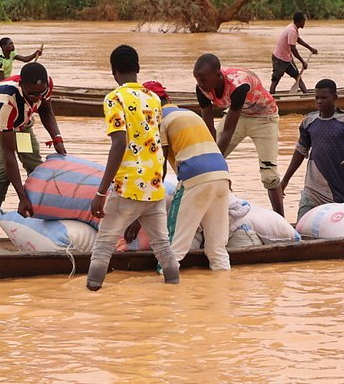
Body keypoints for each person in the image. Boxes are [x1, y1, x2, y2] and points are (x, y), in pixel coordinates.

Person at [86, 45, 179, 291]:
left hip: (127, 186)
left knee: (103, 246)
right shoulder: (153, 98)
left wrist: (101, 192)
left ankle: (91, 298)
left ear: (113, 71)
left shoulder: (114, 98)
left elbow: (119, 144)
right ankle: (175, 291)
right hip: (154, 185)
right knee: (163, 247)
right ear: (137, 68)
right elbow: (158, 143)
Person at [141, 80, 231, 271]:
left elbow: (160, 164)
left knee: (174, 247)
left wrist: (146, 202)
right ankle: (223, 292)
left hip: (195, 180)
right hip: (222, 176)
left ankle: (161, 295)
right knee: (217, 249)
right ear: (168, 98)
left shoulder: (159, 120)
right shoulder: (189, 113)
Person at [0, 62, 66, 249]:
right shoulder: (6, 101)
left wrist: (57, 138)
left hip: (22, 125)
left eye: (41, 93)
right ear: (22, 86)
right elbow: (9, 155)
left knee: (36, 168)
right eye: (32, 94)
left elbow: (46, 109)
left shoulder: (45, 86)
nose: (37, 98)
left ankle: (40, 219)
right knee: (3, 173)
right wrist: (22, 196)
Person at [193, 54, 285, 216]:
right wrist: (209, 158)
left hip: (264, 118)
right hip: (239, 114)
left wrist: (215, 160)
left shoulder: (238, 86)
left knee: (269, 175)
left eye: (204, 80)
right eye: (197, 80)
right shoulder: (201, 89)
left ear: (218, 75)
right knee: (207, 160)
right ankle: (220, 209)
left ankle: (281, 219)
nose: (201, 84)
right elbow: (208, 129)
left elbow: (228, 131)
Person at [280, 79, 344, 221]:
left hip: (339, 186)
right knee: (303, 222)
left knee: (335, 227)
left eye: (324, 98)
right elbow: (300, 151)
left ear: (335, 98)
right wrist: (285, 181)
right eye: (317, 97)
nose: (319, 101)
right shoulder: (309, 121)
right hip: (312, 186)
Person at [270, 12, 318, 94]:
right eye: (304, 21)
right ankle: (271, 99)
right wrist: (303, 62)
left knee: (297, 77)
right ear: (300, 21)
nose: (304, 23)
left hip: (287, 58)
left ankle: (306, 95)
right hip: (280, 59)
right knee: (275, 80)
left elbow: (298, 39)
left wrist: (310, 48)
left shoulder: (293, 28)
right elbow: (293, 49)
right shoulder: (292, 30)